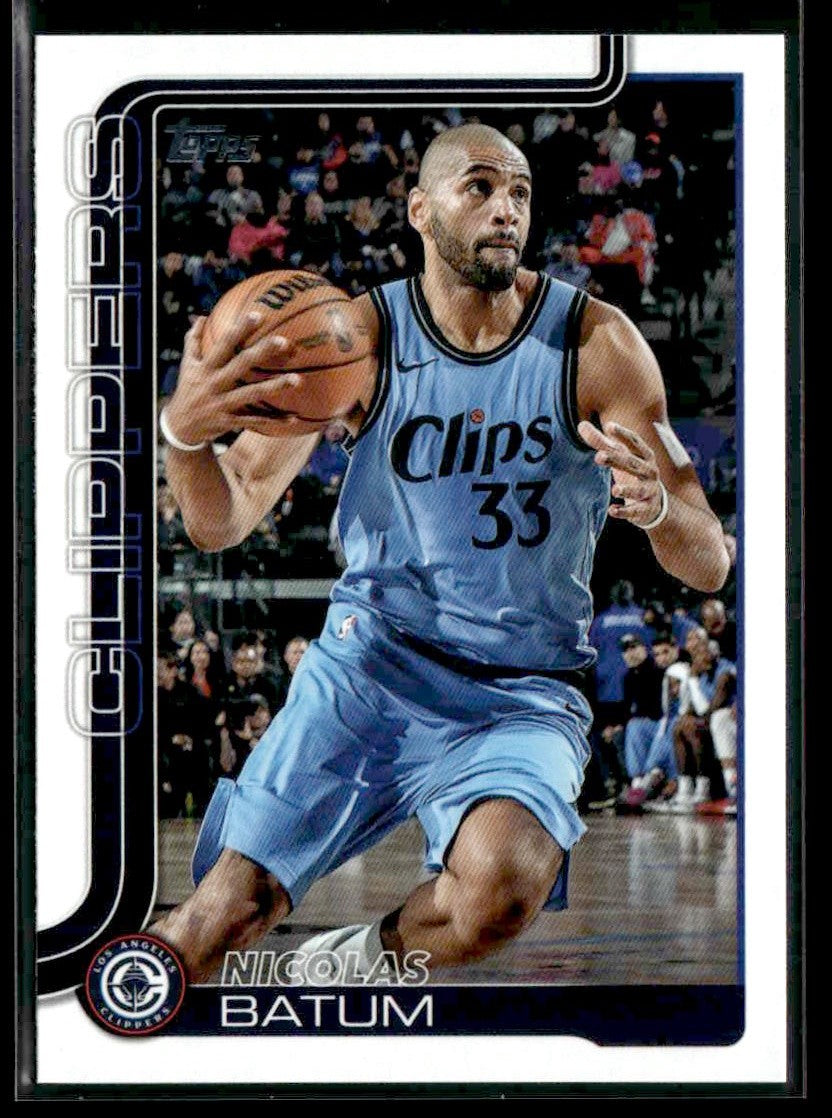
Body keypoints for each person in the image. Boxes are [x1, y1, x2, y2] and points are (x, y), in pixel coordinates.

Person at [153, 123, 729, 983]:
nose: (507, 210)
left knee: (500, 891)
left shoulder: (597, 343)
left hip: (521, 686)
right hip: (372, 667)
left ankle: (342, 964)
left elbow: (710, 559)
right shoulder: (354, 338)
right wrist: (184, 436)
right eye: (481, 188)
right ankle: (112, 1025)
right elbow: (224, 516)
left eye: (521, 193)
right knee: (224, 913)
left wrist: (657, 511)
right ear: (421, 210)